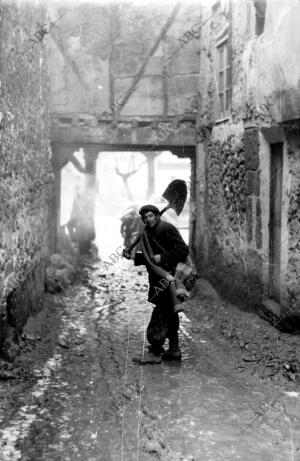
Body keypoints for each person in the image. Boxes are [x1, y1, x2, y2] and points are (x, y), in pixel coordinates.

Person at [124, 204, 189, 363]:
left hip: (168, 276)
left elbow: (183, 250)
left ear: (157, 215)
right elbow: (148, 259)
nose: (148, 219)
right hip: (156, 278)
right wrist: (132, 256)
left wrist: (163, 258)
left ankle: (166, 347)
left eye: (151, 216)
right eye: (145, 218)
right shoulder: (146, 232)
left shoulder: (167, 228)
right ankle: (170, 347)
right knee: (167, 309)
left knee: (167, 310)